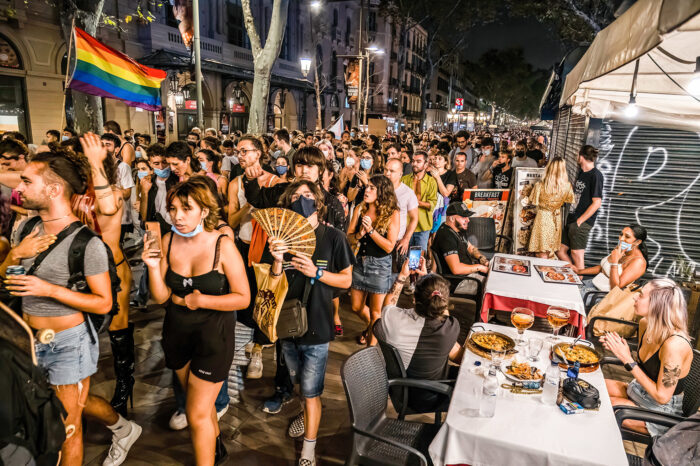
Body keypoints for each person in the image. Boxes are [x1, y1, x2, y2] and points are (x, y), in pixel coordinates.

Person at [3, 148, 141, 466]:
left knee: (67, 427)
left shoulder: (88, 240)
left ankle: (123, 417)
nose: (18, 188)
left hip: (68, 343)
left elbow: (104, 301)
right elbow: (10, 280)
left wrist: (47, 289)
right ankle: (122, 426)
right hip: (28, 342)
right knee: (46, 410)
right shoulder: (26, 229)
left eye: (26, 180)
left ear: (54, 188)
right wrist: (13, 257)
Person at [142, 178, 250, 465]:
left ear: (204, 210)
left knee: (197, 413)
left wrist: (202, 300)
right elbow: (161, 295)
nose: (177, 215)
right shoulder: (168, 239)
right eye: (173, 208)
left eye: (186, 208)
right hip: (177, 333)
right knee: (199, 404)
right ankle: (215, 450)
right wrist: (153, 267)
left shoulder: (222, 245)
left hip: (214, 337)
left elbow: (243, 298)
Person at [264, 180, 354, 466]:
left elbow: (347, 280)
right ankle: (305, 411)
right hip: (287, 326)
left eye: (306, 195)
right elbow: (271, 283)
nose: (300, 200)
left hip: (317, 326)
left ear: (318, 201)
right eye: (295, 196)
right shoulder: (281, 237)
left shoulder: (333, 237)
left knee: (312, 391)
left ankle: (308, 450)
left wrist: (317, 273)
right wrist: (277, 260)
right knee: (299, 384)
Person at [85, 133, 138, 416]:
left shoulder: (113, 192)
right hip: (85, 276)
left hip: (114, 270)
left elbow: (106, 208)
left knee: (118, 330)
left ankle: (124, 383)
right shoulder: (75, 197)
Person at [602, 278, 693, 437]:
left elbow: (662, 396)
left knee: (599, 404)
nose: (635, 297)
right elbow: (645, 370)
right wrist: (620, 350)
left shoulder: (674, 345)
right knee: (593, 387)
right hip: (639, 390)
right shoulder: (645, 324)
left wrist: (627, 359)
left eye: (641, 295)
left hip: (660, 411)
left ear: (657, 304)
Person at [380, 260, 465, 410]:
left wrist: (402, 276)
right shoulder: (450, 327)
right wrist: (430, 280)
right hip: (432, 397)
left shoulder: (394, 320)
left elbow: (388, 304)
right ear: (444, 303)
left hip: (401, 390)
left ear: (414, 299)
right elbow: (458, 357)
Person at [348, 175, 399, 346]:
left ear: (382, 192)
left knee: (376, 312)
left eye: (371, 188)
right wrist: (359, 234)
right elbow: (349, 238)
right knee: (355, 306)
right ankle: (375, 328)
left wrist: (370, 231)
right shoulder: (360, 208)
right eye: (366, 187)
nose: (366, 190)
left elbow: (389, 247)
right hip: (359, 262)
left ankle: (371, 350)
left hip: (379, 265)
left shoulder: (392, 213)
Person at [557, 145, 604, 270]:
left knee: (576, 254)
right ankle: (576, 273)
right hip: (572, 219)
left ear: (581, 157)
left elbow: (597, 202)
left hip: (581, 222)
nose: (576, 157)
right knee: (560, 250)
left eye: (577, 155)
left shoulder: (596, 175)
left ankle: (579, 279)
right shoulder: (582, 173)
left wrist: (580, 220)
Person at [431, 202, 489, 294]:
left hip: (468, 275)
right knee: (491, 287)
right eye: (464, 217)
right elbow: (456, 269)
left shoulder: (458, 228)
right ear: (452, 218)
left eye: (467, 216)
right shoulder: (446, 236)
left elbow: (470, 247)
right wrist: (479, 267)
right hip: (458, 282)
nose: (468, 220)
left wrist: (481, 258)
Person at [577, 224, 648, 298]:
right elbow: (603, 268)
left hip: (601, 295)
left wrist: (615, 262)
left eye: (627, 236)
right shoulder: (622, 249)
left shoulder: (638, 262)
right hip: (592, 283)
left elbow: (616, 287)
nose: (621, 239)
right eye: (621, 234)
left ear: (637, 242)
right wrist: (578, 271)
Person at [527, 157, 574, 258]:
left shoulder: (540, 185)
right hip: (556, 218)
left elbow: (532, 201)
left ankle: (542, 272)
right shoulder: (567, 186)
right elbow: (570, 200)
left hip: (543, 218)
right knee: (550, 251)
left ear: (549, 168)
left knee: (541, 251)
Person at [100, 133, 135, 243]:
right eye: (102, 144)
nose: (104, 147)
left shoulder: (123, 167)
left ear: (116, 149)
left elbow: (127, 194)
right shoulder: (98, 167)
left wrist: (110, 189)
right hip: (103, 217)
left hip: (120, 219)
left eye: (108, 144)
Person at [401, 151, 437, 254]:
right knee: (403, 257)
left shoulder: (431, 181)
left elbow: (432, 204)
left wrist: (415, 202)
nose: (414, 164)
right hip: (406, 225)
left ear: (426, 164)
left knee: (417, 259)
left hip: (423, 226)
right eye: (413, 161)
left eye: (418, 161)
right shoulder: (404, 179)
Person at [384, 158, 418, 258]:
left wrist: (406, 239)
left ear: (400, 174)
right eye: (386, 170)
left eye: (392, 171)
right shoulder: (378, 188)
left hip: (397, 242)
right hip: (378, 239)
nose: (387, 173)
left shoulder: (407, 193)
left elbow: (414, 218)